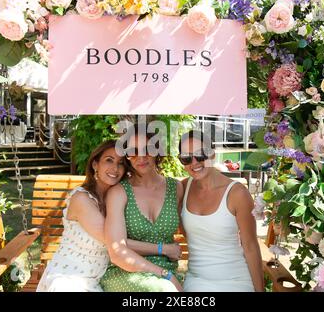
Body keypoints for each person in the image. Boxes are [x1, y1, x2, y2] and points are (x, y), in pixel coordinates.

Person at [37, 140, 178, 292]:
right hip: (70, 275)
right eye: (108, 160)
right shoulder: (82, 199)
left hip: (98, 279)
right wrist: (162, 249)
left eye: (121, 163)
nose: (115, 168)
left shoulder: (118, 198)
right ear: (95, 164)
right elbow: (116, 244)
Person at [100, 125, 184, 292]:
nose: (141, 157)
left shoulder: (176, 188)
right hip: (127, 271)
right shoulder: (119, 192)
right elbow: (117, 250)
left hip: (168, 271)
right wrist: (164, 257)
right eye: (133, 151)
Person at [178, 130, 264, 292]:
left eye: (201, 155)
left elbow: (250, 246)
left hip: (237, 280)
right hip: (197, 280)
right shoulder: (182, 189)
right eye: (187, 158)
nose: (194, 162)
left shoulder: (237, 194)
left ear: (212, 155)